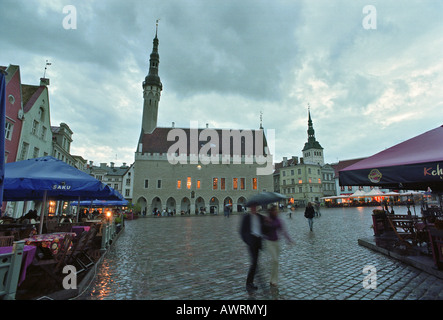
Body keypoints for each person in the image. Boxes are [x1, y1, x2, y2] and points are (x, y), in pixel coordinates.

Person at [263, 205, 294, 287]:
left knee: (276, 262)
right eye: (275, 210)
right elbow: (263, 231)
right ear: (271, 212)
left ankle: (273, 279)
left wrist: (289, 240)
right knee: (275, 260)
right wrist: (266, 223)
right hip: (269, 242)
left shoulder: (278, 220)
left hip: (276, 242)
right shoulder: (266, 219)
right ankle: (273, 280)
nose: (276, 212)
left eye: (276, 210)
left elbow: (283, 231)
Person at [240, 204, 265, 291]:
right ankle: (249, 283)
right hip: (251, 242)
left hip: (258, 242)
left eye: (255, 207)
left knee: (255, 262)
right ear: (250, 208)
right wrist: (248, 241)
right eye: (252, 207)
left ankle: (253, 279)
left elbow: (265, 229)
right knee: (254, 262)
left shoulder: (261, 217)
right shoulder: (246, 217)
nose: (254, 209)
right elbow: (242, 231)